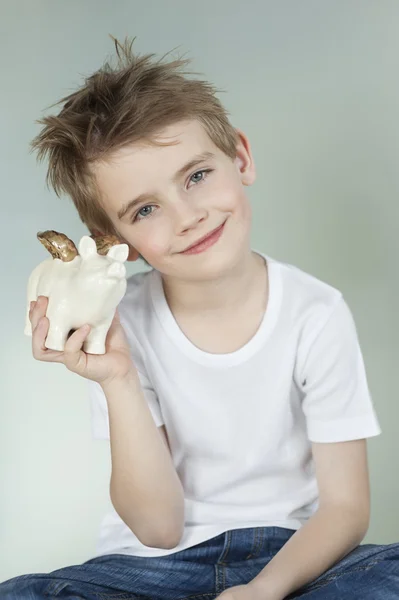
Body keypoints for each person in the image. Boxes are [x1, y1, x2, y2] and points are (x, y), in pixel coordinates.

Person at [1, 36, 398, 600]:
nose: (187, 216)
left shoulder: (317, 312)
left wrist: (264, 591)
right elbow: (157, 526)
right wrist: (116, 379)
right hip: (154, 570)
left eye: (196, 176)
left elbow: (346, 508)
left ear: (240, 158)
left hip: (297, 556)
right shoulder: (121, 324)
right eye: (145, 209)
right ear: (118, 243)